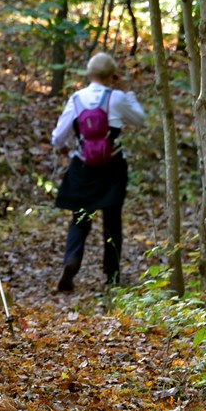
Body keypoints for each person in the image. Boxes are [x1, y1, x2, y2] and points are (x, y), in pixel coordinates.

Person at [50, 52, 145, 291]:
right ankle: (112, 276)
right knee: (112, 221)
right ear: (112, 75)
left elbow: (57, 138)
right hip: (113, 167)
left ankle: (72, 260)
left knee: (80, 218)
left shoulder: (77, 98)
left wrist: (63, 148)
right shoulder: (118, 98)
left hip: (83, 168)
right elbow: (140, 119)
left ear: (89, 73)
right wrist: (128, 91)